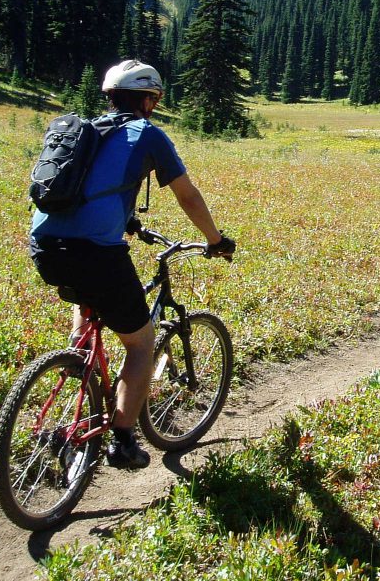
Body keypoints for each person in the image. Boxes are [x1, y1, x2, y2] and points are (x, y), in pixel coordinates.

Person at [29, 60, 235, 468]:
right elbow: (187, 195)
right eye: (154, 100)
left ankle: (79, 354)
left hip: (44, 246)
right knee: (140, 343)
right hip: (97, 255)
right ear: (149, 100)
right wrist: (216, 240)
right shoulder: (148, 135)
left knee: (86, 291)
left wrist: (128, 221)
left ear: (109, 97)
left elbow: (87, 187)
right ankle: (122, 439)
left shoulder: (88, 131)